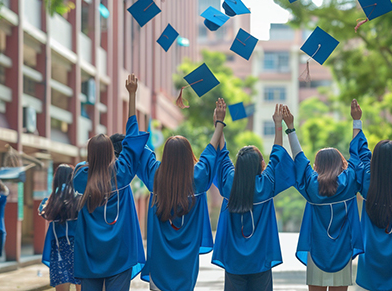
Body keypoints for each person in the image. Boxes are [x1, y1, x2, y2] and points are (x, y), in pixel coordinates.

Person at [130, 98, 227, 291]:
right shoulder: (196, 181)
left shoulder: (155, 179)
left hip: (159, 265)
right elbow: (210, 153)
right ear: (188, 156)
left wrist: (133, 97)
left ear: (166, 156)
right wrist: (219, 124)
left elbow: (135, 141)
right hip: (186, 266)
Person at [73, 74, 145, 291]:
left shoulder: (80, 178)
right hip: (119, 254)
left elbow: (83, 168)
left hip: (90, 256)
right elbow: (131, 139)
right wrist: (132, 95)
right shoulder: (122, 174)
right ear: (113, 153)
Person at [212, 104, 295, 291]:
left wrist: (219, 122)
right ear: (260, 165)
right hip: (260, 260)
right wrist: (278, 124)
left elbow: (222, 154)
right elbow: (277, 154)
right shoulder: (265, 185)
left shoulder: (228, 184)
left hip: (234, 261)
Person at [284, 104, 364, 291]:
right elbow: (356, 154)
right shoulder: (349, 182)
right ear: (340, 163)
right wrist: (356, 120)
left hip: (317, 251)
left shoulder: (312, 186)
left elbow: (299, 158)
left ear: (317, 165)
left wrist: (290, 128)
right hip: (342, 250)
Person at [349, 98, 392, 291]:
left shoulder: (367, 184)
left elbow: (359, 154)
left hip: (371, 259)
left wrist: (357, 121)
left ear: (375, 160)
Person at [39, 164, 81, 291]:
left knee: (61, 287)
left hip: (58, 248)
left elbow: (44, 213)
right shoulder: (79, 199)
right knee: (82, 286)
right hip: (78, 247)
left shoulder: (51, 201)